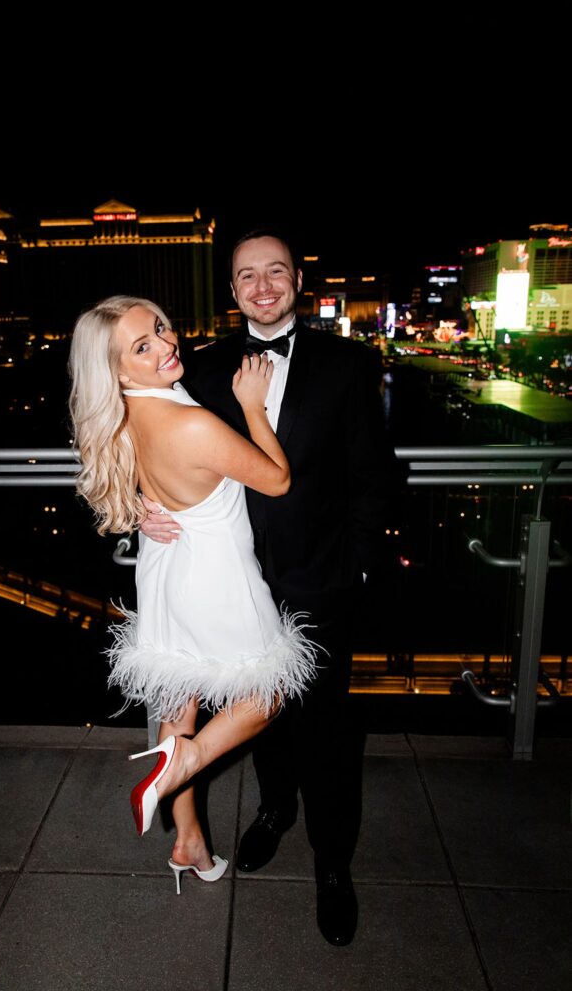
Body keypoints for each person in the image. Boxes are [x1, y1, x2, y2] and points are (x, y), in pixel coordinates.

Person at [141, 230, 395, 944]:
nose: (261, 286)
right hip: (234, 582)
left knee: (327, 728)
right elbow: (151, 442)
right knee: (257, 715)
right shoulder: (198, 366)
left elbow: (375, 478)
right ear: (230, 290)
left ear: (295, 281)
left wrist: (357, 565)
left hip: (321, 581)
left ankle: (333, 864)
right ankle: (274, 810)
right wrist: (140, 501)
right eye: (246, 275)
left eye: (274, 272)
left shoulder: (348, 364)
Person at [68, 295, 318, 895]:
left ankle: (188, 841)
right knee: (269, 693)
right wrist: (254, 407)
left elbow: (133, 479)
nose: (166, 344)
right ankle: (187, 759)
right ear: (120, 371)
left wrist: (140, 509)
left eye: (160, 327)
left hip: (164, 567)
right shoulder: (194, 424)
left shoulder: (126, 413)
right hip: (215, 574)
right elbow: (277, 480)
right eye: (143, 346)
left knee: (177, 703)